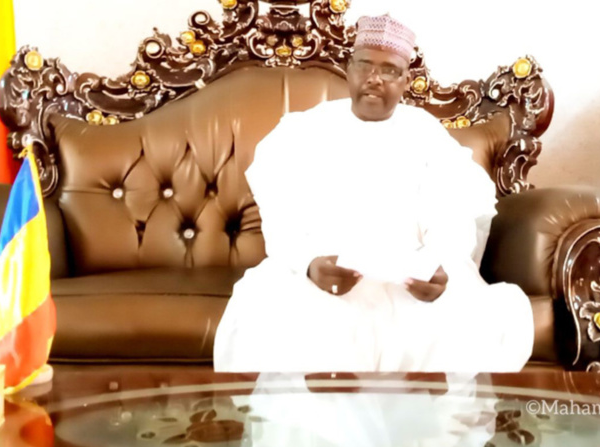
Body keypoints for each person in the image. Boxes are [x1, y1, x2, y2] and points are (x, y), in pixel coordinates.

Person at [213, 15, 533, 373]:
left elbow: (452, 211)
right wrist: (308, 264)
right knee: (287, 317)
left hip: (407, 279)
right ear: (349, 69)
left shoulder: (425, 133)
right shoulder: (302, 132)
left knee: (451, 323)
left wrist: (440, 264)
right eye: (364, 65)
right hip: (322, 273)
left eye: (390, 70)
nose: (374, 78)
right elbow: (281, 215)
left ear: (406, 80)